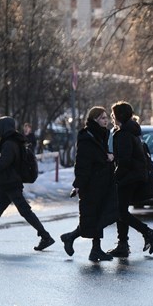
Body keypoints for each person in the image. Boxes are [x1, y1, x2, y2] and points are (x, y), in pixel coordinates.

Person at [0, 116, 55, 252]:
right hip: (7, 184)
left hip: (11, 184)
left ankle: (46, 237)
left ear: (3, 128)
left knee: (25, 211)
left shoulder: (9, 144)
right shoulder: (13, 141)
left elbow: (3, 164)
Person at [60, 107, 118, 261]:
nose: (106, 121)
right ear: (94, 120)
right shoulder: (87, 137)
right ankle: (74, 239)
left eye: (106, 118)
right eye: (102, 118)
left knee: (99, 217)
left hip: (104, 182)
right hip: (92, 184)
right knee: (92, 218)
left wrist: (111, 157)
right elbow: (82, 163)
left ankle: (93, 248)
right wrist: (78, 184)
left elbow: (108, 154)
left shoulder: (105, 135)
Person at [107, 101, 153, 258]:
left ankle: (148, 233)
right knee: (121, 210)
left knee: (120, 211)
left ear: (119, 116)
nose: (112, 117)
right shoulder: (131, 130)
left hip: (129, 176)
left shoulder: (123, 134)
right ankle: (123, 245)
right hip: (134, 175)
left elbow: (124, 161)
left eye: (113, 114)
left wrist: (115, 178)